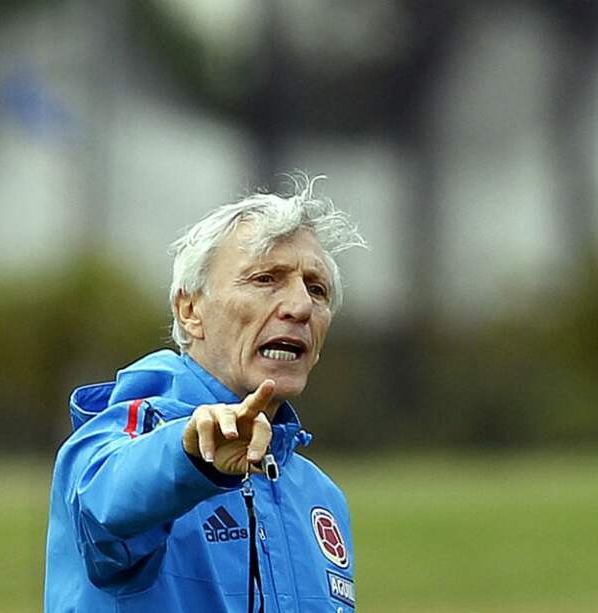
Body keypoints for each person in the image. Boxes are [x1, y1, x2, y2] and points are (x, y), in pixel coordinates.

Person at [44, 176, 366, 612]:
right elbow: (104, 504)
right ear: (190, 310)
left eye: (316, 288)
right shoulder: (129, 435)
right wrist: (190, 457)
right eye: (266, 279)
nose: (300, 306)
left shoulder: (320, 497)